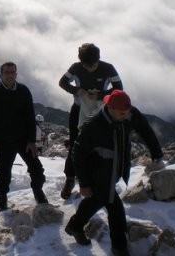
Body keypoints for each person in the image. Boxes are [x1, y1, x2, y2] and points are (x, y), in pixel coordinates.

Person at [64, 90, 163, 256]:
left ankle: (74, 226)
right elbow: (77, 154)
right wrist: (84, 183)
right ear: (109, 107)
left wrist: (156, 151)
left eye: (127, 112)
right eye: (122, 113)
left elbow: (144, 129)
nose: (126, 115)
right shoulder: (94, 126)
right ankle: (120, 248)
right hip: (97, 171)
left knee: (97, 199)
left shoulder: (128, 114)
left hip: (113, 169)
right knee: (115, 208)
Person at [58, 43, 123, 199]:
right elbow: (62, 82)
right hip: (79, 110)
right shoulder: (76, 68)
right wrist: (76, 90)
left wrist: (101, 95)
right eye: (87, 66)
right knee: (75, 144)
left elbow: (119, 88)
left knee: (98, 145)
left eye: (93, 65)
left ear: (98, 59)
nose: (90, 69)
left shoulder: (108, 68)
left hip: (101, 113)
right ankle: (70, 178)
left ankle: (95, 180)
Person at [0, 61, 47, 211]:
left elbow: (30, 116)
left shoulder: (24, 91)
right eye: (7, 72)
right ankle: (2, 199)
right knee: (4, 172)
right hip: (3, 140)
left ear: (16, 74)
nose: (10, 75)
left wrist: (32, 141)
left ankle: (38, 191)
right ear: (1, 75)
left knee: (37, 169)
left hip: (24, 139)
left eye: (13, 72)